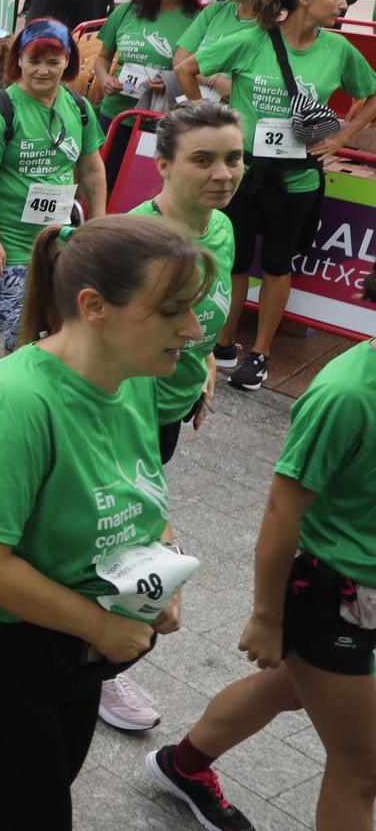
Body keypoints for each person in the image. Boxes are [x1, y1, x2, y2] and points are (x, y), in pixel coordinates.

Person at [0, 214, 206, 830]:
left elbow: (141, 497)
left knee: (19, 792)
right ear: (94, 306)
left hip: (75, 649)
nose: (194, 329)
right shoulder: (19, 400)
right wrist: (100, 628)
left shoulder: (130, 378)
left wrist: (163, 575)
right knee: (35, 812)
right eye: (172, 311)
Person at [147, 268, 376, 831]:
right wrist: (267, 618)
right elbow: (280, 512)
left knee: (291, 689)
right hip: (336, 595)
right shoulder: (346, 395)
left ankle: (184, 766)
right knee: (362, 770)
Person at [180, 0, 376, 391]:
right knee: (234, 258)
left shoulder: (337, 49)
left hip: (299, 177)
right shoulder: (252, 39)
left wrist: (343, 135)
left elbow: (371, 91)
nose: (344, 4)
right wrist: (210, 125)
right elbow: (186, 69)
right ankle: (225, 342)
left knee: (276, 263)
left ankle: (261, 353)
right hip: (244, 173)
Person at [0, 19, 105, 351]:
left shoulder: (78, 108)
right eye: (34, 61)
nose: (43, 71)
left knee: (40, 335)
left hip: (58, 243)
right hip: (11, 248)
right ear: (19, 60)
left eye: (54, 62)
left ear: (68, 62)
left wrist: (98, 228)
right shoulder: (1, 110)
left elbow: (92, 170)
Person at [93, 0, 201, 124]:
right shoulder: (125, 11)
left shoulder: (198, 19)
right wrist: (105, 78)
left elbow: (201, 69)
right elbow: (102, 58)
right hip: (115, 113)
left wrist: (170, 83)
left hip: (161, 118)